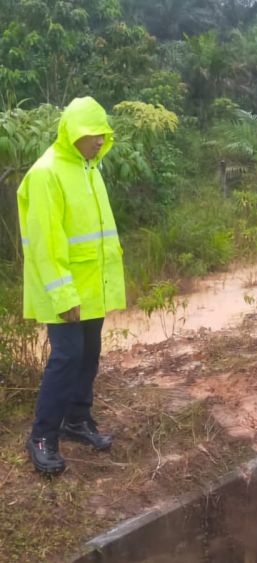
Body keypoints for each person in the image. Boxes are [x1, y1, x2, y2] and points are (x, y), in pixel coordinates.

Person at [18, 96, 126, 475]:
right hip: (62, 291)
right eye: (93, 134)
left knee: (88, 354)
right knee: (65, 360)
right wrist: (64, 295)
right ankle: (43, 436)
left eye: (103, 134)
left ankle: (77, 420)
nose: (100, 141)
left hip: (91, 289)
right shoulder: (47, 173)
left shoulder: (89, 168)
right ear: (74, 132)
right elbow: (45, 244)